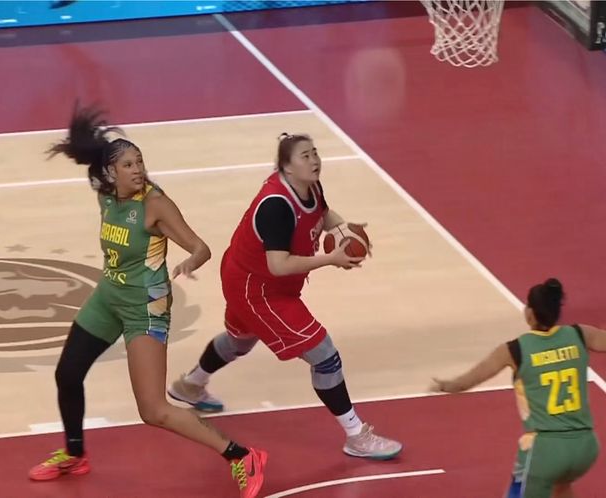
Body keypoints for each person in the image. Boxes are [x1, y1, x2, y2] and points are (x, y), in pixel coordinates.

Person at [28, 104, 267, 498]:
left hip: (146, 308)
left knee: (153, 410)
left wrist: (190, 261)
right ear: (110, 173)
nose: (137, 169)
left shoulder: (154, 204)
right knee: (67, 374)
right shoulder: (106, 195)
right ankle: (74, 454)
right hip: (109, 296)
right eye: (128, 164)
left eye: (139, 162)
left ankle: (241, 455)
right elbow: (93, 159)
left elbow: (201, 246)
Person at [168, 132, 402, 460]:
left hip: (248, 276)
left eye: (315, 153)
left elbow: (322, 213)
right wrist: (331, 259)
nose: (314, 160)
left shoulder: (309, 185)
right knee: (324, 355)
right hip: (258, 289)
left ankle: (190, 385)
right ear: (287, 167)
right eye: (305, 156)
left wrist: (344, 231)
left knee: (240, 341)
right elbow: (278, 265)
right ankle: (356, 436)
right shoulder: (276, 206)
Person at [431, 278, 602, 498]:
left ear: (530, 313)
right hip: (586, 448)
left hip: (546, 451)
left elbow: (467, 381)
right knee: (561, 487)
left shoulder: (515, 350)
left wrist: (445, 385)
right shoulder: (580, 334)